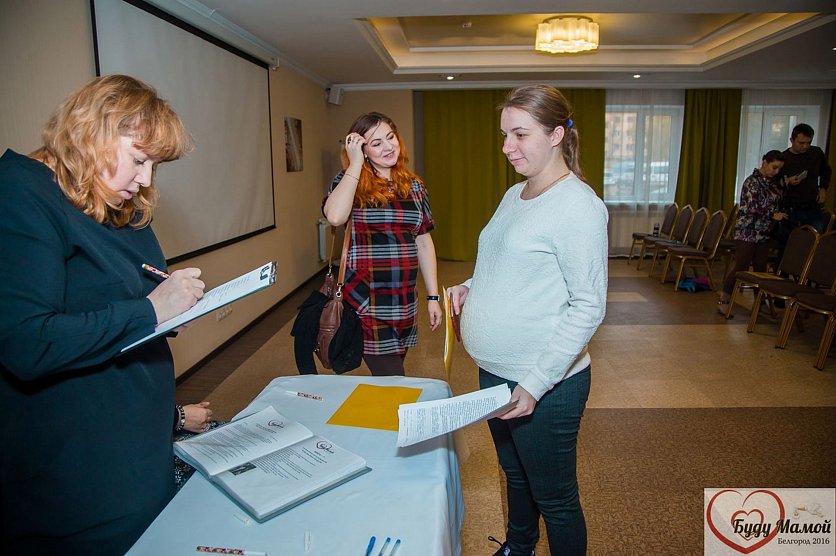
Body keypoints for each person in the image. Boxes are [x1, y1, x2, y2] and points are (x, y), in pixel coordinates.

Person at [0, 75, 203, 554]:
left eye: (154, 165)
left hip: (138, 440)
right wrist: (150, 311)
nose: (145, 179)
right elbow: (26, 342)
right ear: (94, 134)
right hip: (79, 470)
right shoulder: (18, 193)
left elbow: (126, 297)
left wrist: (170, 309)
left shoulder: (115, 199)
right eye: (139, 160)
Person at [448, 85, 608, 556]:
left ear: (556, 135)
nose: (507, 147)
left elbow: (588, 305)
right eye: (504, 135)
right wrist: (472, 286)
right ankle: (519, 548)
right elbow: (501, 260)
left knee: (555, 499)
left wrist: (536, 384)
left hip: (544, 382)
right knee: (515, 475)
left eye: (520, 134)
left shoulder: (578, 206)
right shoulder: (514, 193)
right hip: (495, 372)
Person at [322, 112, 441, 376]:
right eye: (376, 143)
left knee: (389, 379)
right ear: (362, 150)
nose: (388, 147)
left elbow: (423, 241)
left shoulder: (414, 186)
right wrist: (355, 164)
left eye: (390, 137)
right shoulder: (349, 182)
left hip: (403, 299)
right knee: (394, 379)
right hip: (366, 301)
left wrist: (433, 297)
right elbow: (335, 217)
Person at [718, 151, 788, 316]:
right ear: (764, 162)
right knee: (741, 266)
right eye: (774, 167)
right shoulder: (752, 182)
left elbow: (776, 201)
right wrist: (773, 215)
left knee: (760, 268)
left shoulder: (773, 184)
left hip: (764, 231)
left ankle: (760, 303)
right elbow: (753, 207)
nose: (776, 171)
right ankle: (724, 300)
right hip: (747, 230)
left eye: (779, 169)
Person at [780, 123, 832, 233]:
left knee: (816, 237)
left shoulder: (816, 153)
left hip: (813, 205)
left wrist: (823, 188)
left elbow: (826, 171)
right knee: (793, 238)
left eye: (809, 142)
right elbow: (774, 183)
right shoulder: (784, 158)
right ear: (792, 140)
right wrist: (788, 181)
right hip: (791, 207)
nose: (805, 146)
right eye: (801, 143)